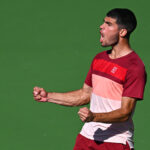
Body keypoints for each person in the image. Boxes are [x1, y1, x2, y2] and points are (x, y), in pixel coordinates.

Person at [33, 8, 147, 150]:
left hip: (115, 142)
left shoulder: (135, 67)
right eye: (103, 22)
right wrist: (49, 96)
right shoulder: (98, 59)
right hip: (87, 137)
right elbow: (85, 94)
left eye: (108, 24)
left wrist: (94, 117)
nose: (101, 26)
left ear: (122, 32)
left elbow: (125, 112)